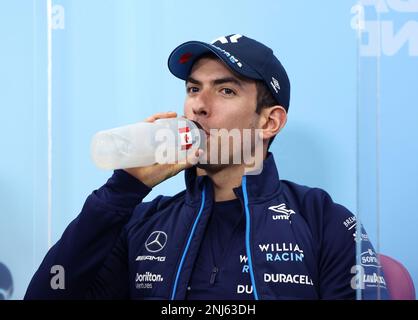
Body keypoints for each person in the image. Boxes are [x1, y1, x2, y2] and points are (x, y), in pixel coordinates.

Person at [25, 34, 389, 300]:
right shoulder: (141, 221)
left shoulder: (322, 219)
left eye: (225, 90)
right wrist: (123, 190)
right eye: (193, 88)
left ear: (269, 122)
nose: (199, 105)